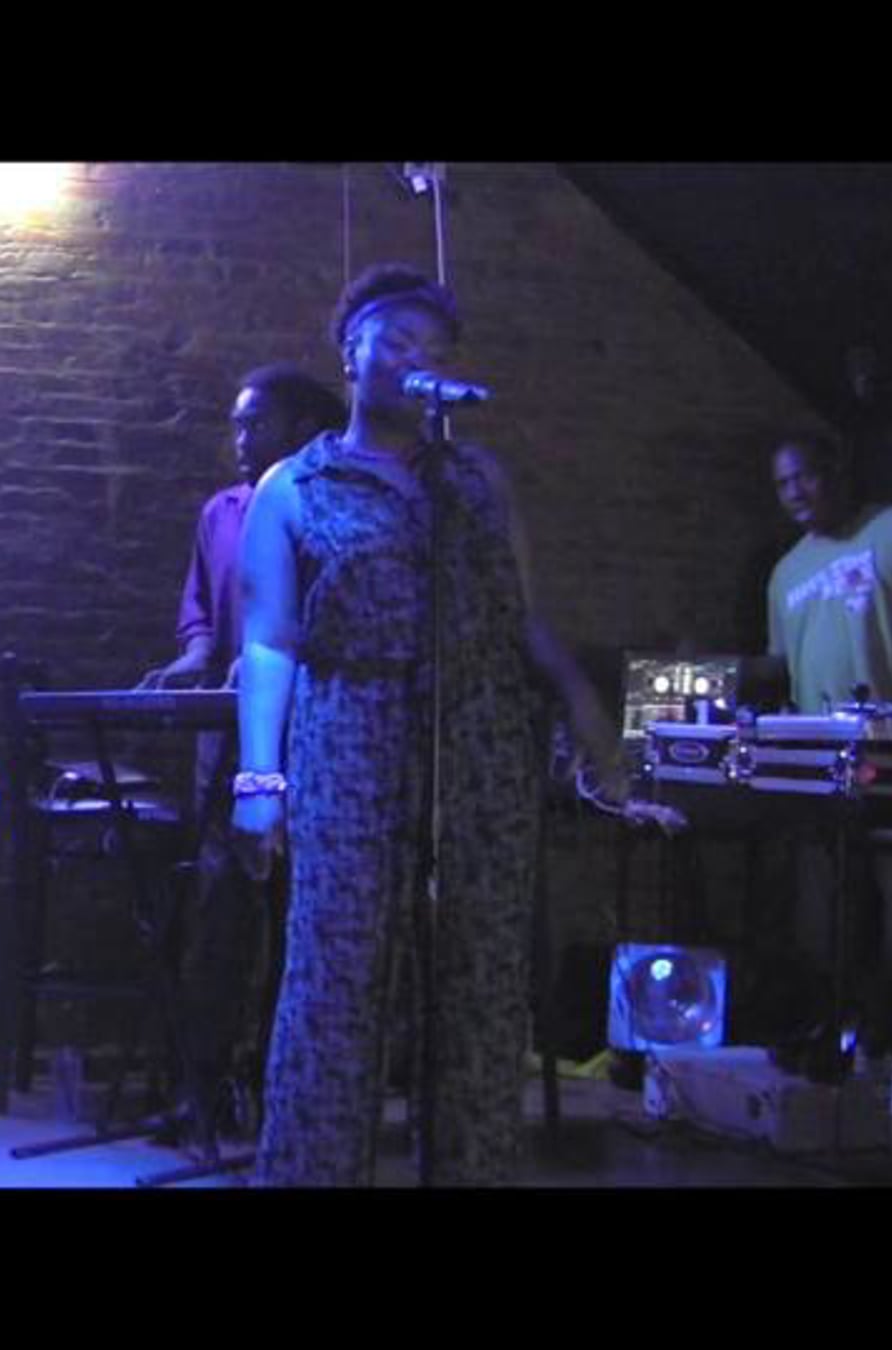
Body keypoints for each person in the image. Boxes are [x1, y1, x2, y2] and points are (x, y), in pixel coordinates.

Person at [230, 264, 624, 1185]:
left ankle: (472, 1167)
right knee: (336, 982)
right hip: (350, 744)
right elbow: (270, 642)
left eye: (437, 351)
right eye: (398, 342)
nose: (418, 362)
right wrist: (259, 780)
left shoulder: (477, 480)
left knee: (480, 986)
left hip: (479, 746)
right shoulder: (296, 485)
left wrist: (584, 706)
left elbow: (519, 613)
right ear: (351, 351)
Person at [140, 365, 345, 1149]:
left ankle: (277, 1087)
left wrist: (268, 660)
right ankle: (197, 1090)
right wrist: (198, 655)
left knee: (301, 921)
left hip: (314, 737)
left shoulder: (325, 504)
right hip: (229, 743)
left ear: (301, 428)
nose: (239, 438)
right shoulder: (222, 511)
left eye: (254, 423)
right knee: (217, 917)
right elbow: (202, 608)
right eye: (236, 423)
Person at [761, 435, 892, 1089]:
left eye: (804, 477)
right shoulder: (786, 572)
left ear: (837, 470)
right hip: (822, 765)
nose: (794, 493)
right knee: (826, 914)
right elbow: (779, 665)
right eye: (782, 484)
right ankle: (858, 1043)